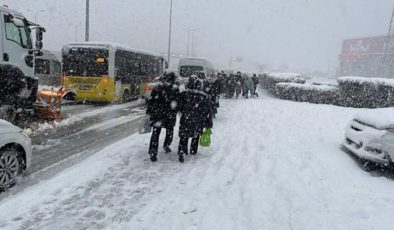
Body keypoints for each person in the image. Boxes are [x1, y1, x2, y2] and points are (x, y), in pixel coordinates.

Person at [177, 75, 213, 162]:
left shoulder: (183, 94)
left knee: (184, 136)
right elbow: (207, 111)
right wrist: (208, 123)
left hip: (186, 118)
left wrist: (182, 112)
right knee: (195, 135)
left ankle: (182, 150)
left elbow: (179, 106)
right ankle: (193, 150)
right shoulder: (203, 96)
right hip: (198, 120)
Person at [146, 72, 180, 162]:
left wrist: (149, 111)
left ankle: (153, 151)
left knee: (156, 132)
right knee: (169, 131)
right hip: (169, 114)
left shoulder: (157, 88)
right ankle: (166, 145)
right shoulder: (175, 89)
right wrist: (175, 111)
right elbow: (177, 102)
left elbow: (151, 101)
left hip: (157, 114)